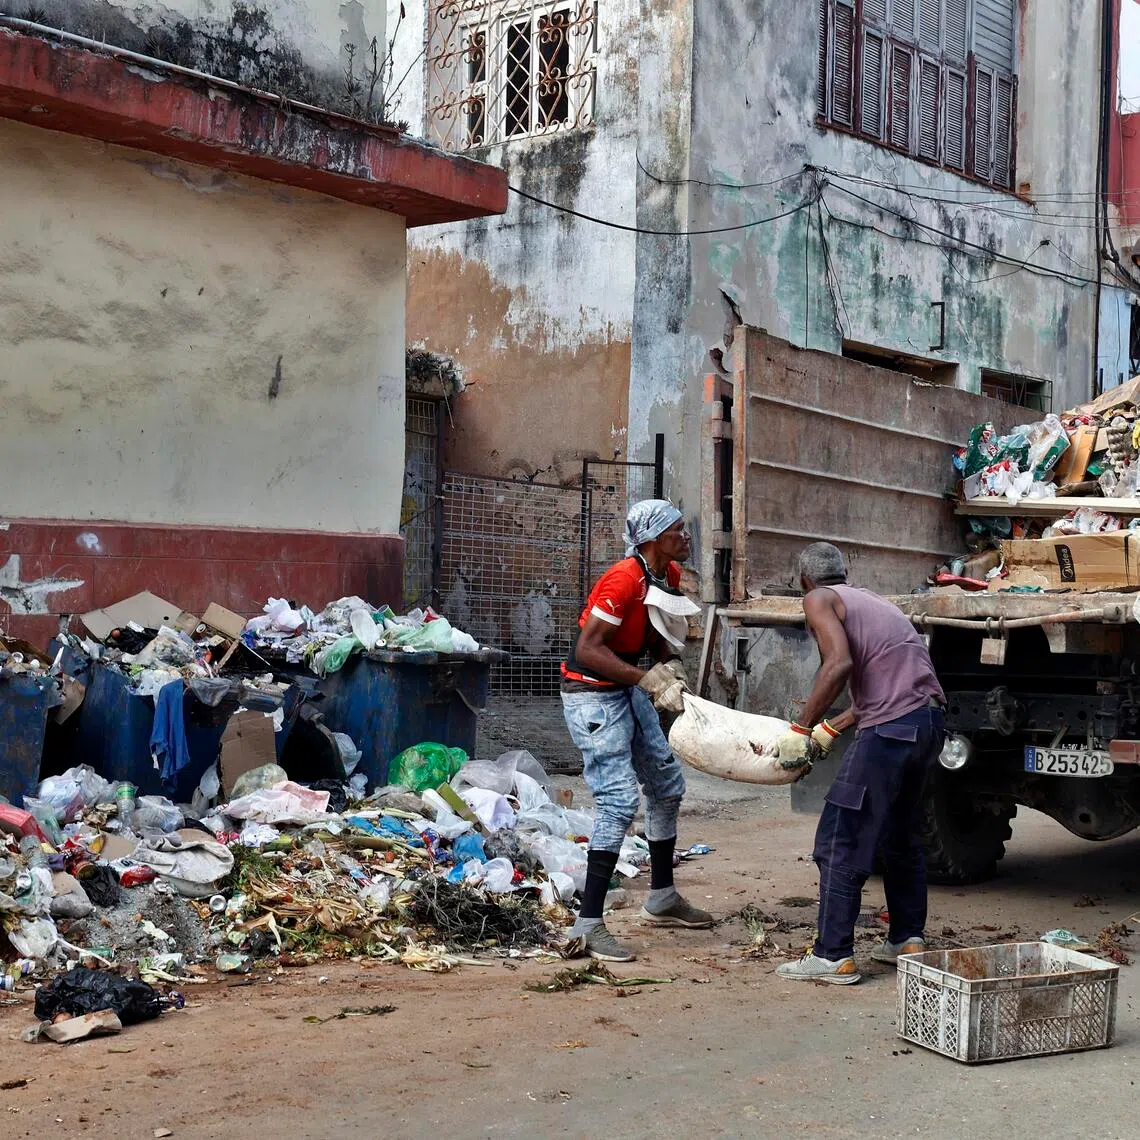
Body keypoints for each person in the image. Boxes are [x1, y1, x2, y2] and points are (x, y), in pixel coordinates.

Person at [774, 542, 946, 985]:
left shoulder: (817, 599)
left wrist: (801, 728)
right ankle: (907, 939)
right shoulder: (871, 601)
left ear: (804, 581)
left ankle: (833, 955)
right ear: (844, 573)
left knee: (839, 837)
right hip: (928, 723)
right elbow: (891, 685)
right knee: (899, 833)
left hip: (891, 730)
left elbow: (838, 665)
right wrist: (834, 726)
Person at [561, 499, 714, 963]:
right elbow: (588, 650)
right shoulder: (623, 579)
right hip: (592, 693)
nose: (686, 537)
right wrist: (647, 680)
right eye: (677, 530)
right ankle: (587, 925)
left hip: (626, 684)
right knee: (618, 800)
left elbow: (658, 640)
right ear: (652, 539)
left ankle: (662, 896)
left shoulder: (666, 577)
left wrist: (672, 667)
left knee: (667, 786)